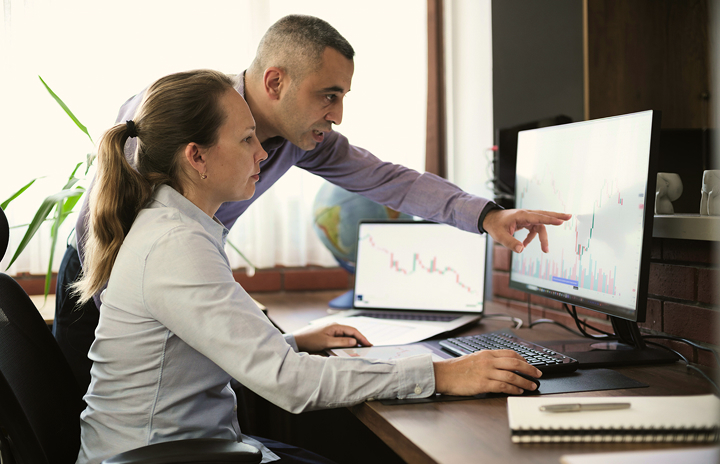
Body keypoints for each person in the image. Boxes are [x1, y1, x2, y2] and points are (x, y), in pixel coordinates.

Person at [54, 14, 571, 396]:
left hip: (179, 288)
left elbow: (388, 179)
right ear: (275, 82)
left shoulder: (300, 139)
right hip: (100, 275)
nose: (338, 115)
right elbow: (125, 254)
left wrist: (487, 215)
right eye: (328, 95)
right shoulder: (184, 116)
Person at [74, 69, 544, 464]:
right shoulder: (176, 245)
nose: (262, 153)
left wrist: (293, 341)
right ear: (196, 156)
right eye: (246, 139)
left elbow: (193, 350)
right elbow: (290, 384)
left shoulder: (177, 226)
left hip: (191, 446)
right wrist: (442, 375)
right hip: (162, 455)